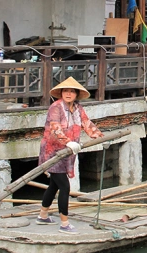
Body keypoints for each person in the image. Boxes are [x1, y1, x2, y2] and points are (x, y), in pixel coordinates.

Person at [37, 76, 103, 234]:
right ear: (61, 93)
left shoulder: (78, 108)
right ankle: (64, 223)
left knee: (54, 185)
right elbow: (55, 127)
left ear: (76, 94)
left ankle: (43, 215)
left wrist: (100, 136)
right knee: (64, 187)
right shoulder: (56, 107)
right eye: (65, 91)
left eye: (71, 91)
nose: (68, 93)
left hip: (67, 152)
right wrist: (67, 141)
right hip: (52, 152)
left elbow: (87, 123)